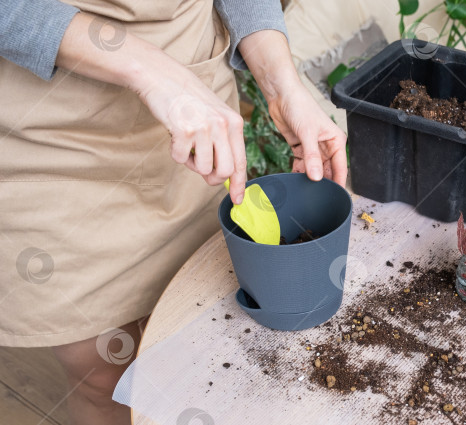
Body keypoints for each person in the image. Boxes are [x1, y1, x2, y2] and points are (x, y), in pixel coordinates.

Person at [0, 1, 347, 424]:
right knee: (103, 378)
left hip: (197, 125)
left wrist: (281, 87)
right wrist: (153, 71)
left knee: (202, 346)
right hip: (53, 138)